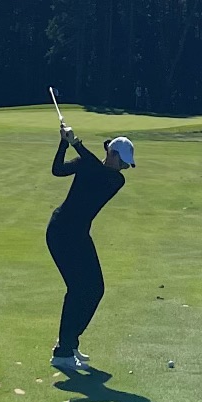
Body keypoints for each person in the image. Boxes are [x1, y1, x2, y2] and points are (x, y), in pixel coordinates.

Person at [46, 125, 135, 374]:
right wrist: (65, 143)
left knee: (95, 289)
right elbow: (58, 170)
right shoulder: (89, 164)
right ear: (114, 155)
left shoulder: (115, 180)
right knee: (77, 289)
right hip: (61, 232)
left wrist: (76, 143)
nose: (125, 168)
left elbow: (97, 169)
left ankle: (69, 342)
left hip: (78, 234)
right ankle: (62, 353)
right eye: (124, 162)